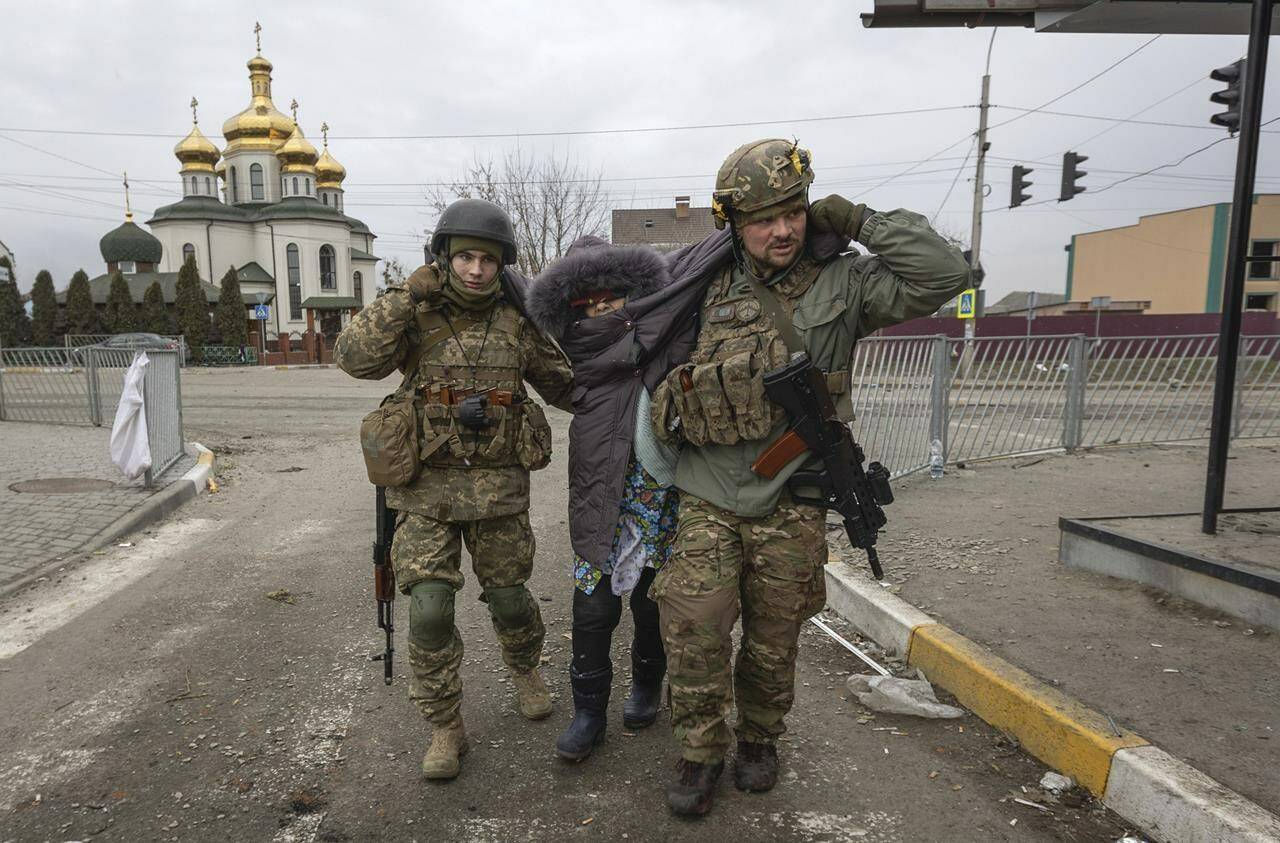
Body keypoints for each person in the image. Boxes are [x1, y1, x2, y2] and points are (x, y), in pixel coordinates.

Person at [650, 138, 974, 815]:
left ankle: (760, 739)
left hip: (792, 493)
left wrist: (854, 217)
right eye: (764, 217)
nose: (783, 229)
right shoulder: (700, 284)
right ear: (734, 223)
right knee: (695, 630)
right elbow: (642, 355)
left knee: (774, 636)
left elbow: (945, 272)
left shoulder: (844, 281)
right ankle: (701, 748)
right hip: (707, 489)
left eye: (794, 211)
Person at [334, 198, 574, 781]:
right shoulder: (415, 314)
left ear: (502, 266)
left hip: (498, 494)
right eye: (464, 257)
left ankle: (525, 669)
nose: (475, 270)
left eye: (487, 260)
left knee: (512, 601)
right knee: (431, 610)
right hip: (426, 494)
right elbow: (352, 359)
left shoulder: (518, 322)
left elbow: (566, 385)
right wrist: (401, 296)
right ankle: (445, 726)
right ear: (442, 258)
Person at [526, 232, 729, 761]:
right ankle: (588, 714)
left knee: (647, 604)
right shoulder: (577, 366)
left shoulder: (669, 341)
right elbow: (509, 293)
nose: (600, 310)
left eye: (609, 298)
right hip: (600, 506)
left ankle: (644, 686)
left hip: (659, 503)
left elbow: (694, 264)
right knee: (592, 612)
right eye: (587, 303)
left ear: (632, 294)